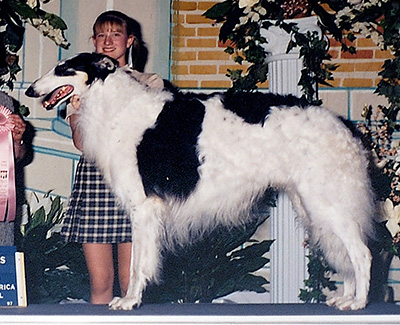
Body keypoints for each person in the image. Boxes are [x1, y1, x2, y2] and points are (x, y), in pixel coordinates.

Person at [60, 10, 163, 304]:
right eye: (101, 35)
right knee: (101, 283)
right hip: (97, 183)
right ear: (93, 41)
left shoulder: (149, 81)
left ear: (129, 40)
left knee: (131, 282)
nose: (108, 42)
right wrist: (80, 108)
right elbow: (81, 143)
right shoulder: (80, 85)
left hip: (136, 182)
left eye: (115, 34)